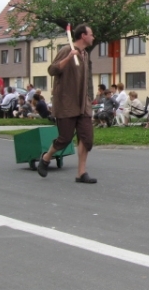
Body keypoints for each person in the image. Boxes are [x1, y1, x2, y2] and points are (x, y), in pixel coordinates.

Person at [37, 23, 97, 183]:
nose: (93, 37)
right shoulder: (66, 50)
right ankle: (46, 158)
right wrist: (69, 57)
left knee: (86, 138)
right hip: (66, 102)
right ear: (83, 36)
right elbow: (52, 70)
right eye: (91, 34)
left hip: (82, 104)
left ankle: (81, 173)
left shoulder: (85, 54)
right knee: (65, 138)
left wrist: (88, 99)